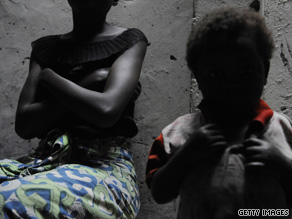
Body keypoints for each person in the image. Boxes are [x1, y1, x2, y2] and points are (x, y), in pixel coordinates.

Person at [0, 0, 148, 218]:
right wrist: (90, 82)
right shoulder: (45, 49)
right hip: (45, 161)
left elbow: (105, 111)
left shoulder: (130, 41)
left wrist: (49, 79)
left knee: (6, 199)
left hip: (103, 168)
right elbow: (25, 125)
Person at [146, 7, 292, 219]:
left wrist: (283, 165)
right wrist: (186, 156)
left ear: (266, 72)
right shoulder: (180, 133)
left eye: (245, 70)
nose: (232, 83)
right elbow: (159, 193)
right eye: (216, 73)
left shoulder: (283, 130)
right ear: (198, 77)